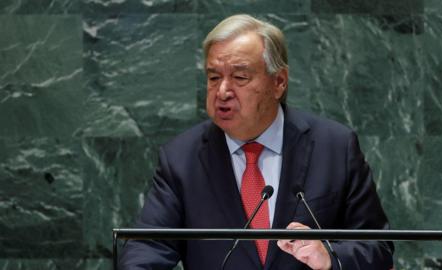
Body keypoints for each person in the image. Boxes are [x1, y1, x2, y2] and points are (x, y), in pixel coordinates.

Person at [119, 14, 394, 270]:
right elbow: (147, 248)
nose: (223, 91)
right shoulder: (181, 158)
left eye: (239, 77)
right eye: (214, 77)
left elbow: (378, 248)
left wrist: (330, 255)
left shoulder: (334, 148)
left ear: (279, 82)